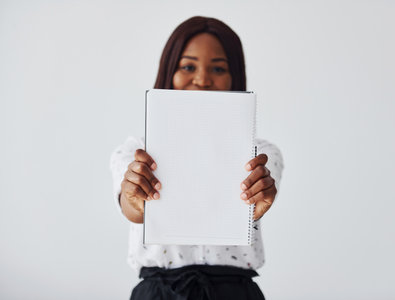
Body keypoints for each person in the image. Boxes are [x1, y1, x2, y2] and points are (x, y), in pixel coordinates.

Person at [110, 16, 284, 300]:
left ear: (234, 77)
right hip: (159, 292)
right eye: (188, 66)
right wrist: (135, 200)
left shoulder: (261, 152)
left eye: (218, 68)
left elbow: (254, 206)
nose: (203, 80)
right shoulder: (134, 151)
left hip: (235, 292)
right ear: (170, 72)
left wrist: (256, 204)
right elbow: (132, 209)